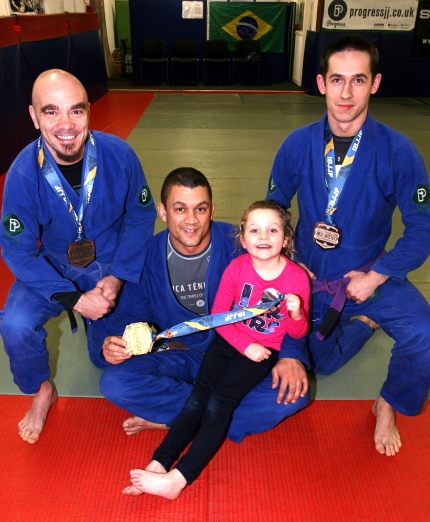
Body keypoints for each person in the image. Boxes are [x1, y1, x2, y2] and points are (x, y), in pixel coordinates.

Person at [266, 34, 430, 457]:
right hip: (307, 280)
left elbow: (422, 226)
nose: (345, 93)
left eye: (358, 80)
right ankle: (363, 327)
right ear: (321, 83)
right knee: (314, 365)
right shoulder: (297, 144)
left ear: (374, 84)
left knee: (423, 333)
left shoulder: (398, 151)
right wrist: (286, 264)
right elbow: (272, 211)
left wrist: (376, 276)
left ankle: (388, 404)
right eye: (337, 80)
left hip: (367, 276)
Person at [100, 168, 311, 446]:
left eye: (200, 208)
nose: (191, 220)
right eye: (180, 209)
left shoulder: (242, 243)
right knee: (114, 383)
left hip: (236, 354)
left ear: (212, 209)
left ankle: (179, 419)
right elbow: (129, 317)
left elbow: (290, 295)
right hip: (179, 356)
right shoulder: (147, 255)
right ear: (163, 212)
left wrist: (292, 355)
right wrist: (115, 344)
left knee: (292, 395)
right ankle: (204, 416)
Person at [0, 69, 156, 444]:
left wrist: (118, 276)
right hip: (52, 266)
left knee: (110, 358)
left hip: (109, 266)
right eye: (51, 112)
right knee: (15, 323)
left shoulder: (119, 155)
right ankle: (41, 390)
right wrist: (74, 298)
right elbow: (16, 249)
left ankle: (100, 330)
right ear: (34, 117)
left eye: (77, 110)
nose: (66, 125)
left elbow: (140, 214)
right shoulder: (23, 173)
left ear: (89, 111)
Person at [122, 200, 310, 499]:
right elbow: (218, 317)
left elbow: (297, 332)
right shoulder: (237, 268)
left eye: (272, 230)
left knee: (217, 404)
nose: (263, 237)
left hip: (262, 351)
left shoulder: (296, 278)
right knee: (197, 399)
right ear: (243, 237)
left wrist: (298, 314)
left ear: (285, 239)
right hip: (230, 341)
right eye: (255, 230)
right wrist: (244, 344)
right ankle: (159, 462)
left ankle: (180, 478)